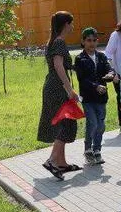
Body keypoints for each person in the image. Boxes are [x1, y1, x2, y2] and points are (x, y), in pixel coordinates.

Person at [37, 11, 79, 180]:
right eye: (71, 23)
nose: (73, 26)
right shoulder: (59, 42)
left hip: (53, 86)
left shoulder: (54, 41)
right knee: (65, 124)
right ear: (65, 25)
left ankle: (61, 163)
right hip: (58, 88)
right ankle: (52, 161)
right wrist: (69, 89)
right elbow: (58, 66)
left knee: (64, 123)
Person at [74, 27, 115, 166]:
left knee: (101, 125)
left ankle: (97, 150)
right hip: (88, 98)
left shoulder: (101, 57)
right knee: (93, 123)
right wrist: (96, 86)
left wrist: (111, 74)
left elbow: (109, 69)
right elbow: (82, 79)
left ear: (97, 41)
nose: (91, 43)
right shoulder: (80, 58)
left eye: (94, 40)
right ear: (83, 42)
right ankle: (88, 149)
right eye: (88, 40)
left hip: (101, 98)